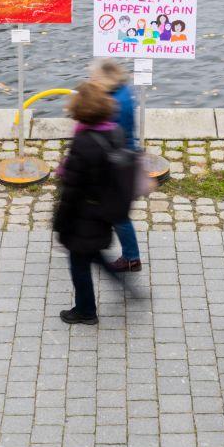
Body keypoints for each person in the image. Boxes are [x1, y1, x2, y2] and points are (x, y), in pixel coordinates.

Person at [53, 82, 130, 325]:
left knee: (79, 263)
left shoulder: (83, 142)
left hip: (82, 216)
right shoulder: (116, 132)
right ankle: (126, 286)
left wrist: (60, 223)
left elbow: (71, 191)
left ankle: (86, 311)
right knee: (94, 253)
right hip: (104, 211)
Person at [89, 58, 143, 272]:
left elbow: (107, 135)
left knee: (117, 213)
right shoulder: (123, 92)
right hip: (124, 159)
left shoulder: (113, 104)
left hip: (116, 165)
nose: (91, 80)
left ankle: (131, 257)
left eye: (94, 77)